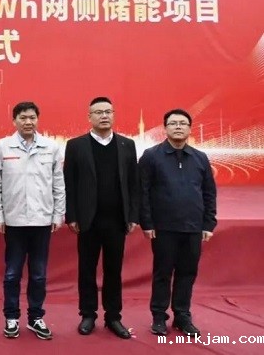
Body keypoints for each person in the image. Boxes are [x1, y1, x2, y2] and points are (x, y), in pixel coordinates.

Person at [63, 97, 139, 339]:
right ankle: (88, 314)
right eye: (98, 112)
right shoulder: (76, 146)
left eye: (108, 111)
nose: (104, 116)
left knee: (113, 270)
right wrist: (71, 215)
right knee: (86, 269)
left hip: (117, 219)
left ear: (113, 115)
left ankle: (113, 317)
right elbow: (69, 183)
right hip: (88, 220)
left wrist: (132, 215)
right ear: (89, 117)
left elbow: (133, 183)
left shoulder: (127, 145)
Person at [0, 101, 65, 340]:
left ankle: (35, 317)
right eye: (23, 118)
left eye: (32, 117)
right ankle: (11, 317)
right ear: (14, 121)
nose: (28, 122)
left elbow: (58, 183)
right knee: (12, 273)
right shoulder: (2, 146)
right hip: (14, 221)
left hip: (42, 220)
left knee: (39, 274)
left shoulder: (51, 147)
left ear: (37, 119)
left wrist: (58, 214)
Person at [140, 108, 217, 337]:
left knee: (187, 272)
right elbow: (142, 191)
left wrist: (208, 223)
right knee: (162, 273)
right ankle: (159, 316)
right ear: (165, 128)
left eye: (183, 123)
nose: (178, 127)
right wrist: (147, 222)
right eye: (173, 123)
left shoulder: (200, 158)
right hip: (163, 227)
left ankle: (182, 315)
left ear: (190, 129)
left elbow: (209, 193)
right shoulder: (151, 156)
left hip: (193, 227)